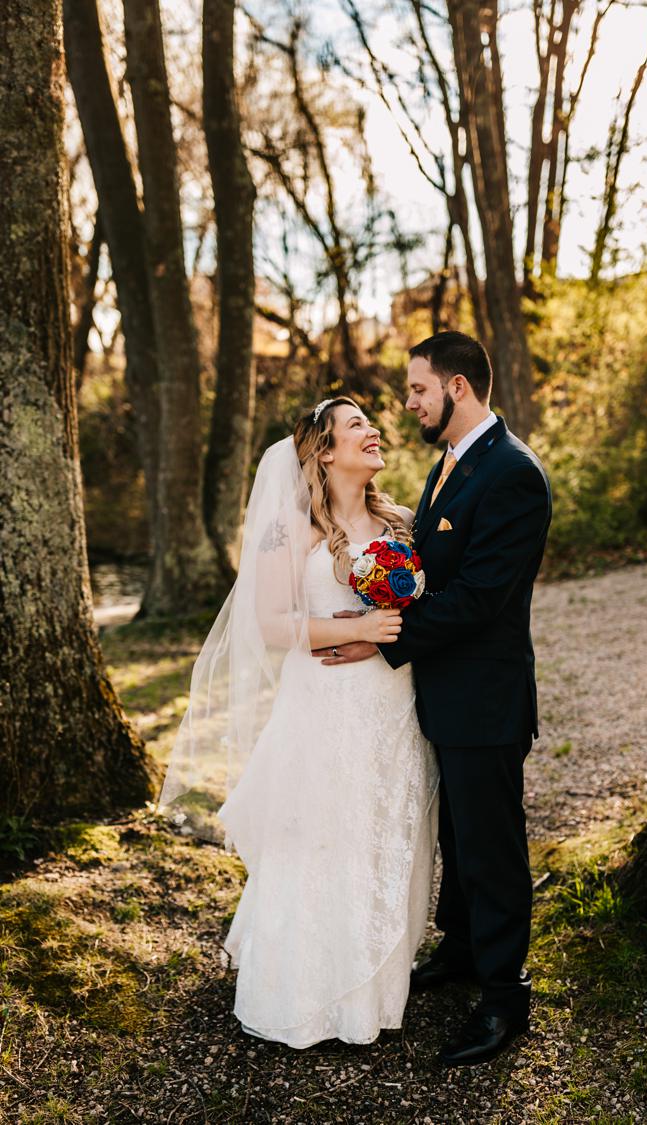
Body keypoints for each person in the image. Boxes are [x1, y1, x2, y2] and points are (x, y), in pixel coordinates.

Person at [161, 396, 436, 1048]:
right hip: (325, 705)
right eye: (356, 425)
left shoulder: (398, 521)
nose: (374, 431)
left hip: (392, 703)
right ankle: (309, 992)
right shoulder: (290, 526)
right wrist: (360, 626)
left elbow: (425, 609)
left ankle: (374, 991)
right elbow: (271, 624)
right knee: (322, 834)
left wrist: (390, 632)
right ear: (324, 450)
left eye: (371, 423)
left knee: (380, 827)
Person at [317, 331, 551, 1065]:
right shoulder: (450, 461)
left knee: (492, 845)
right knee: (455, 831)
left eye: (417, 389)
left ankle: (505, 995)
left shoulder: (512, 472)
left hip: (485, 696)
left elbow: (481, 598)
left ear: (456, 387)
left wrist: (383, 637)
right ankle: (463, 948)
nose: (407, 402)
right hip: (445, 692)